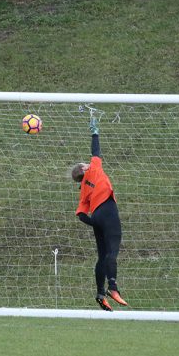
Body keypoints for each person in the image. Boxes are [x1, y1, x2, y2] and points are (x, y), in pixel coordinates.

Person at [72, 117, 128, 312]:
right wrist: (95, 132)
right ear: (84, 169)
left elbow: (80, 214)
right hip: (108, 210)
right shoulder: (94, 168)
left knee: (102, 256)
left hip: (95, 216)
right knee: (112, 251)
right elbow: (95, 151)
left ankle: (100, 293)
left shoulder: (83, 192)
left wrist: (94, 222)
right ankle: (113, 287)